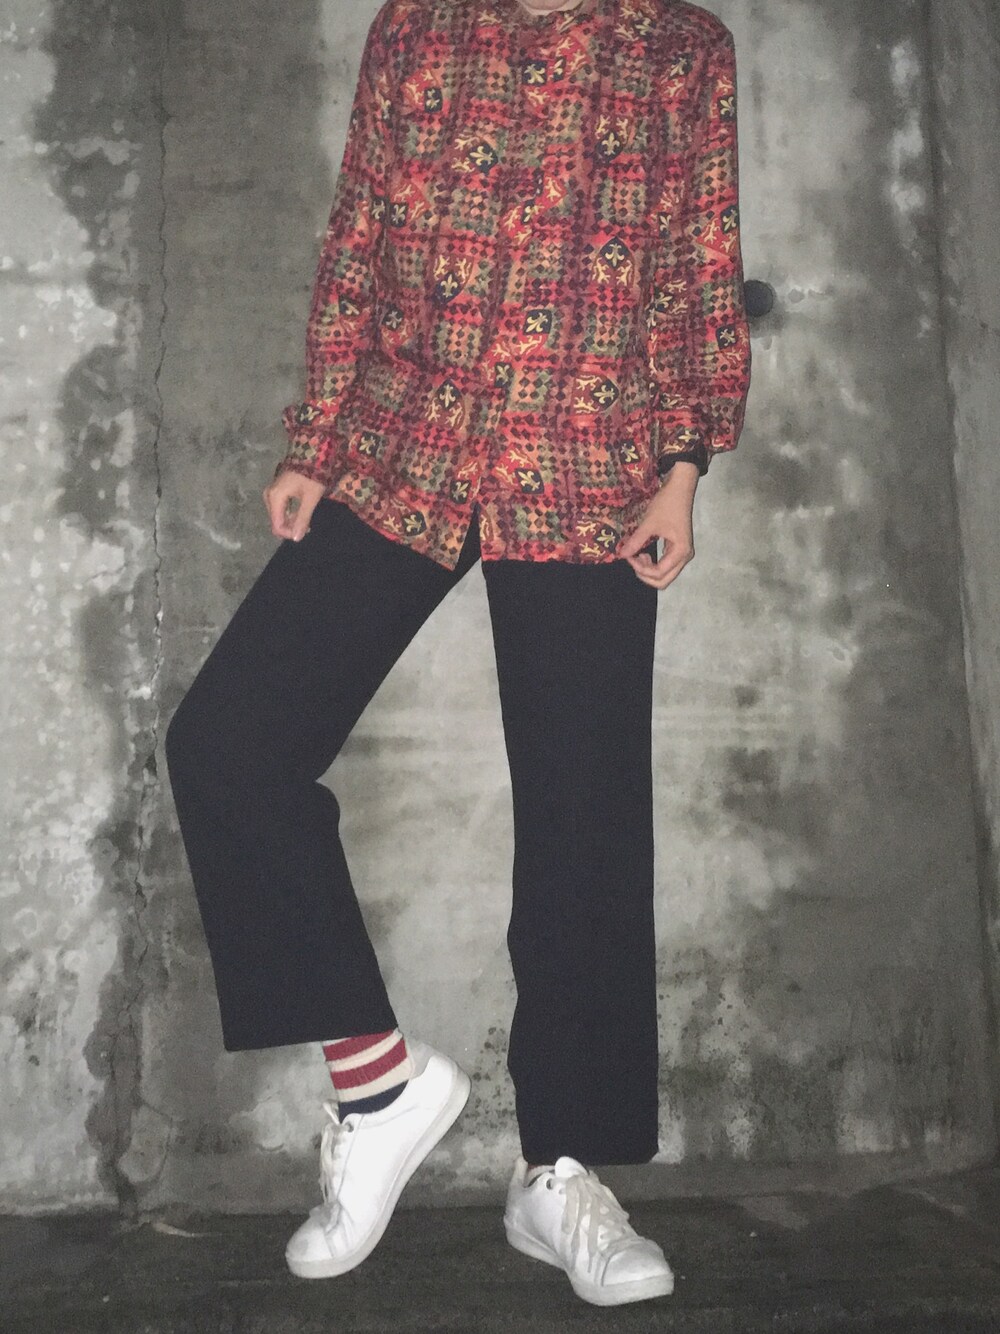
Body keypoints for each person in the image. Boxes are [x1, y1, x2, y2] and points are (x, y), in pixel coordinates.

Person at [165, 0, 750, 1309]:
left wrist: (684, 464)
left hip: (589, 458)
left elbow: (696, 261)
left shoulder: (678, 47)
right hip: (406, 441)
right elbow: (360, 231)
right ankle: (378, 1085)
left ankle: (561, 1172)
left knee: (585, 822)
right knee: (230, 746)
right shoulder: (418, 29)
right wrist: (317, 436)